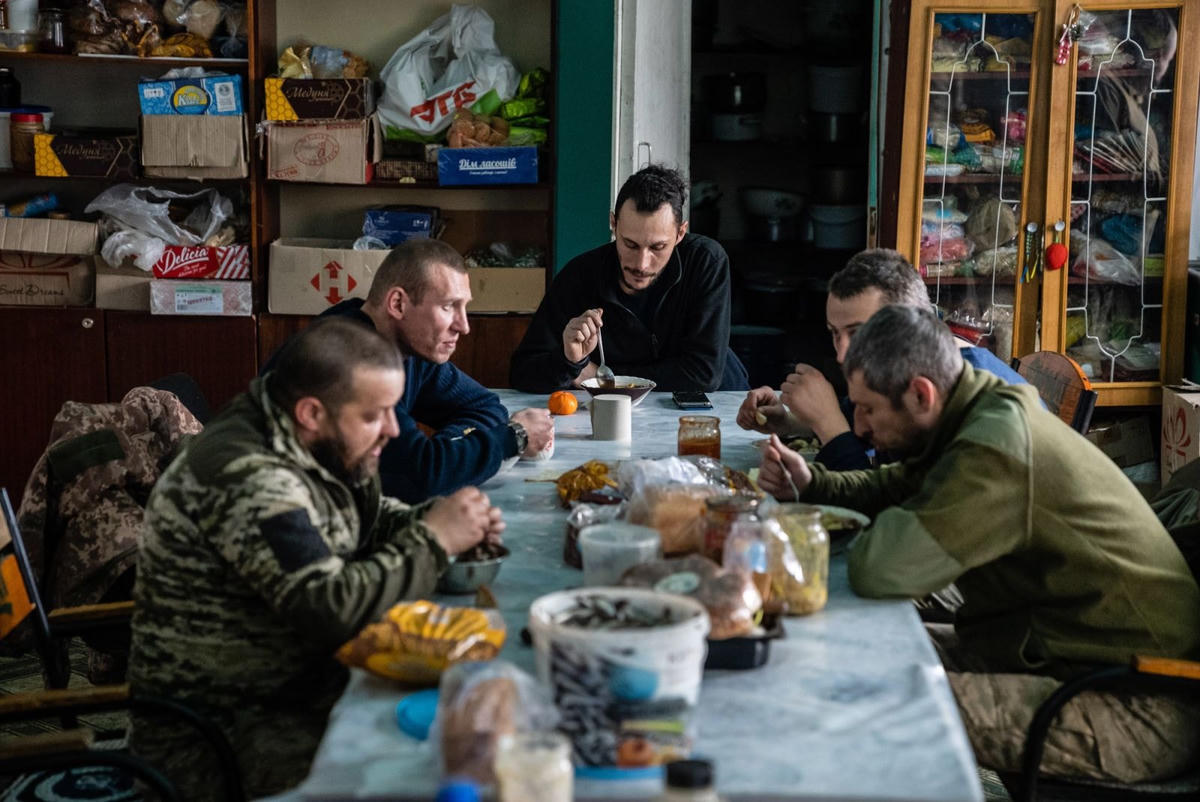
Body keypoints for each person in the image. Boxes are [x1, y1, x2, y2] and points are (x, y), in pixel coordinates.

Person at [758, 304, 1200, 785]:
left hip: (1138, 702)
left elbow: (878, 569)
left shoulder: (996, 447)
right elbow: (896, 482)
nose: (859, 427)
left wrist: (913, 513)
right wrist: (814, 482)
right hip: (1043, 652)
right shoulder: (977, 408)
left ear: (922, 395)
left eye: (867, 409)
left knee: (871, 697)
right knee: (828, 648)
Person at [129, 318, 506, 800]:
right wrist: (434, 541)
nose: (393, 430)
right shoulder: (246, 474)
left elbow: (364, 516)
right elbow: (330, 609)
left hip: (297, 684)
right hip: (223, 730)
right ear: (311, 412)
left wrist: (435, 520)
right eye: (375, 416)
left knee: (469, 721)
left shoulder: (321, 439)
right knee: (429, 768)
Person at [310, 238, 554, 503]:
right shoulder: (349, 360)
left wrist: (447, 454)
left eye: (465, 306)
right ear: (398, 304)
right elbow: (419, 477)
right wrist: (513, 437)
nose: (464, 326)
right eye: (448, 306)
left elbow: (485, 407)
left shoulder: (407, 347)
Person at [738, 248, 1028, 470]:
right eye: (835, 334)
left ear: (910, 322)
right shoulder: (907, 372)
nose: (842, 355)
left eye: (860, 332)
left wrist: (828, 423)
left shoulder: (964, 396)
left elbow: (891, 510)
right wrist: (791, 423)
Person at [509, 164, 749, 392]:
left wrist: (601, 378)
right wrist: (568, 361)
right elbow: (523, 373)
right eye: (630, 244)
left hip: (717, 407)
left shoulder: (706, 261)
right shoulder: (580, 276)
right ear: (614, 224)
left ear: (680, 234)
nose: (641, 264)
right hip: (618, 414)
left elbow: (703, 375)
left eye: (658, 247)